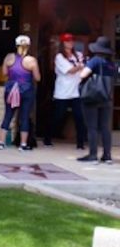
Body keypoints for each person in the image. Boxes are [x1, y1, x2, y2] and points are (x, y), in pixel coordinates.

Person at [0, 35, 41, 151]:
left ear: (16, 45)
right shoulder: (32, 60)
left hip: (11, 89)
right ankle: (23, 144)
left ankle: (1, 142)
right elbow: (37, 78)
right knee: (24, 116)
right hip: (26, 90)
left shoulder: (8, 57)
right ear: (29, 46)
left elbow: (5, 73)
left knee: (8, 115)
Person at [77, 36, 115, 164]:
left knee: (92, 127)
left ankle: (93, 155)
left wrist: (82, 68)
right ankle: (107, 155)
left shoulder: (95, 61)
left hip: (92, 98)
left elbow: (83, 75)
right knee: (105, 127)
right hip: (106, 98)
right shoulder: (112, 64)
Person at [45, 33, 86, 149]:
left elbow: (83, 68)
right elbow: (70, 71)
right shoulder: (59, 57)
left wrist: (80, 66)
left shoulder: (78, 55)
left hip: (76, 92)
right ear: (63, 43)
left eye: (72, 40)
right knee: (58, 116)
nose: (70, 43)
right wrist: (80, 66)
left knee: (79, 117)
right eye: (67, 41)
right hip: (62, 92)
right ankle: (47, 138)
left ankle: (80, 143)